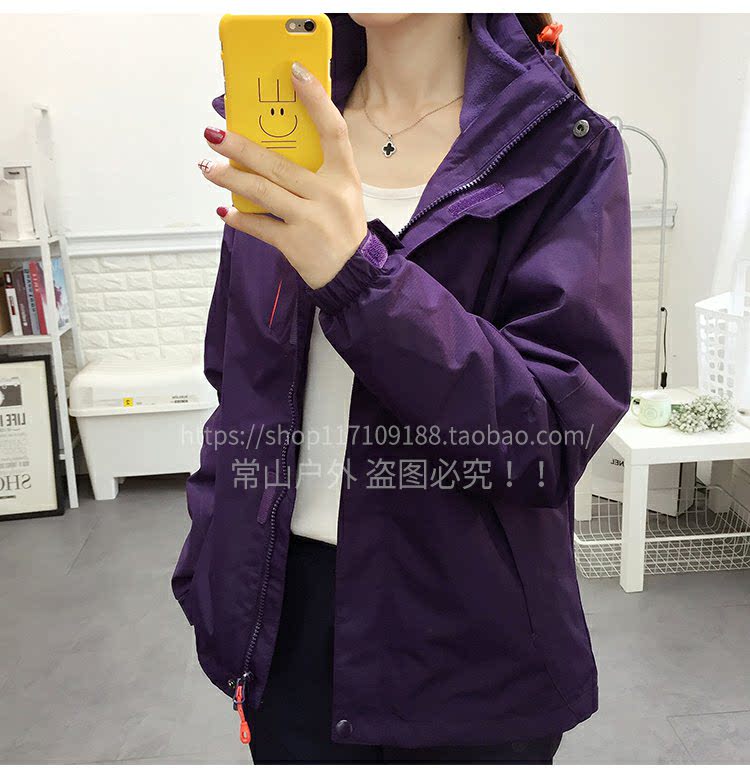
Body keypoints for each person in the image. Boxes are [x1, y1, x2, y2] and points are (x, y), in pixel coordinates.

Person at [173, 12, 632, 765]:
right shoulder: (282, 134)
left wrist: (359, 278)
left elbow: (546, 435)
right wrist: (210, 556)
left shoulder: (561, 147)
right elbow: (235, 375)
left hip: (468, 637)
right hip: (282, 620)